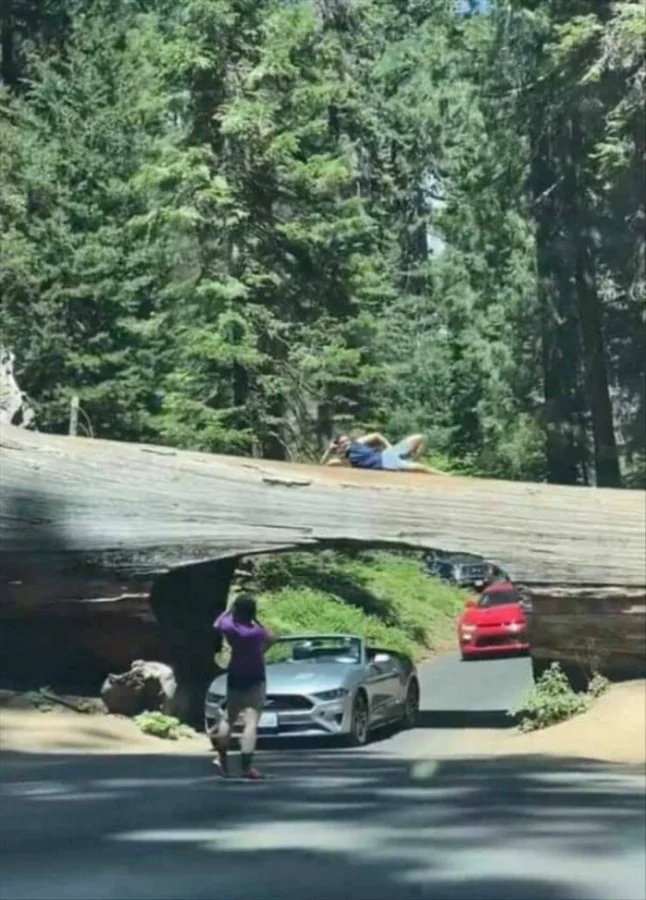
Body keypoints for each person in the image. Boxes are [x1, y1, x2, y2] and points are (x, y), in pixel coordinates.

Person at [212, 594, 275, 780]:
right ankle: (246, 767)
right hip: (255, 675)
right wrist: (257, 620)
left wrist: (228, 610)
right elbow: (272, 636)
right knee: (251, 721)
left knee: (229, 717)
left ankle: (221, 759)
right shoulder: (256, 632)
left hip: (235, 673)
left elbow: (217, 623)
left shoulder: (230, 628)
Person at [319, 431, 445, 474]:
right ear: (338, 447)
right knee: (422, 469)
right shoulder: (345, 461)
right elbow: (322, 466)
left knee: (420, 438)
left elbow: (376, 435)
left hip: (388, 455)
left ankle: (411, 459)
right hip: (385, 464)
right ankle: (445, 476)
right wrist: (329, 450)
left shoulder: (357, 443)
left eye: (347, 440)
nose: (347, 443)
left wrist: (389, 446)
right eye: (343, 442)